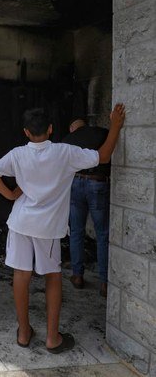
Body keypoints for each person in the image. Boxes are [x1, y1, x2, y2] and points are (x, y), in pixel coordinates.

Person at [0, 104, 124, 353]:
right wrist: (115, 126)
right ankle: (52, 338)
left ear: (26, 132)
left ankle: (24, 333)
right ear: (50, 129)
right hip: (47, 228)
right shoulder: (64, 153)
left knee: (21, 275)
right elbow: (103, 156)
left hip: (20, 222)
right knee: (52, 277)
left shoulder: (17, 154)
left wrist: (10, 194)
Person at [61, 118, 111, 297]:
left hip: (75, 183)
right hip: (97, 183)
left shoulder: (68, 139)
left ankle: (77, 276)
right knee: (103, 234)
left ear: (73, 127)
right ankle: (105, 283)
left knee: (76, 231)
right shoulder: (102, 133)